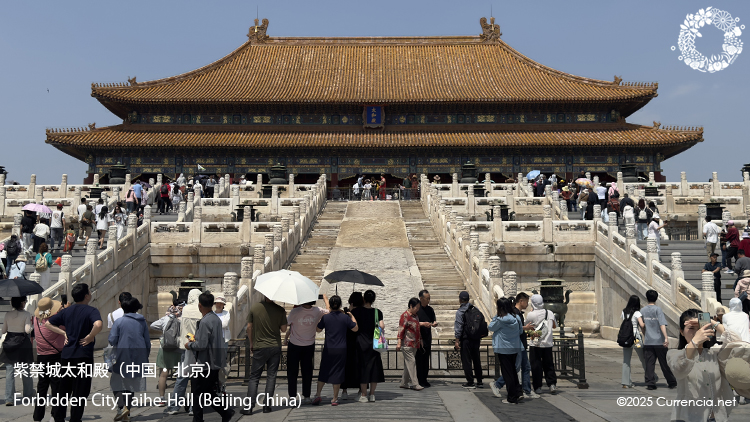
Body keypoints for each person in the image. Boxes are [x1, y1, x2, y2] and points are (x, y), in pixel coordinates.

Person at [45, 283, 103, 422]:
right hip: (83, 356)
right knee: (80, 391)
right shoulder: (91, 311)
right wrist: (90, 336)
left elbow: (48, 323)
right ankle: (75, 419)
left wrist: (63, 333)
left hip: (67, 356)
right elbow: (98, 324)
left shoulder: (67, 311)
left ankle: (59, 417)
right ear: (86, 296)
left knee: (64, 390)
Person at [667, 308, 736, 422]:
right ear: (681, 331)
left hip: (717, 417)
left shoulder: (714, 353)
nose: (698, 332)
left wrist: (712, 322)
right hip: (689, 418)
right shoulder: (675, 354)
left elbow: (735, 341)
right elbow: (680, 369)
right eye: (691, 328)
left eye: (700, 328)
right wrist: (694, 342)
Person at [185, 292, 235, 422]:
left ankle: (199, 419)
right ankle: (225, 412)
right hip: (214, 361)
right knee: (207, 391)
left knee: (197, 392)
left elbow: (201, 344)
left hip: (205, 362)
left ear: (200, 305)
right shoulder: (216, 319)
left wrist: (190, 345)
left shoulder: (205, 321)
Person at [243, 295, 287, 415]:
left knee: (254, 377)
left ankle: (249, 407)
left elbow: (249, 327)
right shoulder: (280, 310)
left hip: (259, 346)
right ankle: (267, 406)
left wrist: (251, 342)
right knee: (271, 376)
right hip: (275, 346)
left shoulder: (255, 307)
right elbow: (284, 329)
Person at [109, 296, 150, 421]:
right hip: (138, 356)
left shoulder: (119, 322)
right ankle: (127, 411)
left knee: (116, 383)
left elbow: (112, 340)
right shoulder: (142, 321)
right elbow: (147, 342)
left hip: (122, 356)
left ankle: (121, 407)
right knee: (130, 385)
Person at [313, 295, 358, 406]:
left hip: (329, 348)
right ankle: (334, 398)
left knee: (324, 370)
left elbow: (318, 329)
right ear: (340, 305)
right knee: (338, 372)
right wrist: (352, 316)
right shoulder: (345, 317)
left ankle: (318, 394)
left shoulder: (326, 317)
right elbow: (355, 328)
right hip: (341, 348)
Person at [284, 294, 329, 404]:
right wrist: (326, 299)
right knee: (307, 372)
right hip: (309, 344)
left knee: (292, 372)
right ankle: (307, 396)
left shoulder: (295, 311)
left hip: (294, 344)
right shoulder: (318, 311)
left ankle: (292, 396)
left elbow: (286, 324)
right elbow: (330, 311)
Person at [165, 288, 201, 416]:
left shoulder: (185, 309)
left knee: (182, 378)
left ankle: (174, 406)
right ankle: (193, 407)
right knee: (197, 379)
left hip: (185, 347)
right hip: (198, 347)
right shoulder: (201, 310)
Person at [32, 298, 65, 421]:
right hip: (55, 356)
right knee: (57, 387)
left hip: (41, 356)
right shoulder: (55, 321)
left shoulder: (36, 320)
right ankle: (55, 415)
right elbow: (66, 327)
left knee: (42, 387)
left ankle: (38, 416)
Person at [350, 290, 386, 402]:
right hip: (374, 344)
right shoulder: (377, 312)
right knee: (374, 369)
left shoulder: (356, 311)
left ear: (364, 299)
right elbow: (382, 326)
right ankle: (372, 394)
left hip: (361, 343)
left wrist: (350, 312)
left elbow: (353, 326)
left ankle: (363, 395)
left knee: (363, 369)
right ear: (373, 299)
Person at [488, 297, 524, 404]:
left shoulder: (500, 320)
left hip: (503, 348)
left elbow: (491, 327)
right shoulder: (516, 317)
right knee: (513, 371)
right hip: (514, 347)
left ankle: (511, 397)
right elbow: (521, 331)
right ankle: (517, 392)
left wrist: (496, 316)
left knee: (507, 373)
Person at [640, 289, 677, 390]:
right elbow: (662, 324)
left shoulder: (642, 310)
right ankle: (671, 382)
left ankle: (650, 383)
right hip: (659, 341)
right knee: (664, 363)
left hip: (648, 342)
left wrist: (645, 335)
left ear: (647, 298)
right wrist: (666, 338)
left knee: (649, 364)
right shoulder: (658, 309)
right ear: (656, 298)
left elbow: (642, 326)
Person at [1, 296, 34, 405]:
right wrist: (32, 326)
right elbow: (27, 330)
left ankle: (9, 398)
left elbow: (3, 330)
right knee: (25, 369)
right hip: (22, 342)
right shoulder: (26, 314)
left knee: (10, 370)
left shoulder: (8, 314)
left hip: (10, 341)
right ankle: (28, 394)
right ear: (22, 303)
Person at [151, 298, 183, 406]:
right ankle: (178, 398)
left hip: (165, 348)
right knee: (180, 375)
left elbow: (153, 325)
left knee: (163, 374)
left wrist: (163, 330)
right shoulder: (183, 318)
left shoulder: (166, 318)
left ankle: (161, 399)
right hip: (178, 349)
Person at [525, 294, 558, 395]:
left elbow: (527, 327)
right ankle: (552, 384)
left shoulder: (531, 314)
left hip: (535, 343)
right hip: (548, 343)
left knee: (536, 365)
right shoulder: (550, 313)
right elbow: (554, 326)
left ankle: (538, 387)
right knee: (549, 364)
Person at [454, 291, 484, 389]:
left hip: (466, 338)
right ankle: (479, 381)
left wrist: (457, 340)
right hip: (476, 338)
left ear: (460, 300)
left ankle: (470, 382)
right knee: (476, 359)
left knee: (466, 360)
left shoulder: (460, 312)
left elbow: (459, 327)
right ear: (468, 299)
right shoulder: (475, 309)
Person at [397, 297, 423, 391]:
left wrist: (420, 340)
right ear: (411, 306)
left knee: (408, 364)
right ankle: (415, 384)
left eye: (418, 308)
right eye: (416, 307)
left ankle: (404, 383)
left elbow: (417, 328)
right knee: (412, 362)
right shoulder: (405, 316)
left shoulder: (416, 316)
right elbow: (401, 329)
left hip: (415, 344)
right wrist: (399, 342)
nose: (417, 309)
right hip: (407, 344)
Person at [621, 295, 646, 388]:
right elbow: (642, 325)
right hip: (636, 339)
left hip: (626, 339)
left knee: (626, 361)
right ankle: (651, 377)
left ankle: (626, 382)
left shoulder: (624, 311)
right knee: (643, 358)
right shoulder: (637, 313)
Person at [342, 292, 364, 399]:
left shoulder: (348, 314)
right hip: (362, 343)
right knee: (361, 367)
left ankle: (344, 391)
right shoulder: (365, 313)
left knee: (347, 366)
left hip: (349, 343)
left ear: (351, 302)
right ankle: (361, 390)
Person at [416, 290, 437, 388]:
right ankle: (418, 379)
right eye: (427, 298)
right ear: (421, 298)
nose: (428, 300)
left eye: (429, 298)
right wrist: (422, 324)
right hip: (418, 338)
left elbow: (433, 320)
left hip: (427, 338)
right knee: (418, 360)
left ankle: (424, 379)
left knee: (426, 360)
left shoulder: (430, 310)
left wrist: (434, 323)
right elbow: (412, 322)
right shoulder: (417, 309)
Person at [213, 296, 231, 393]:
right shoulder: (212, 314)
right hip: (213, 341)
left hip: (223, 340)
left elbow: (225, 324)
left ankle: (222, 383)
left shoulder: (226, 313)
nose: (219, 305)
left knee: (222, 363)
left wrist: (215, 324)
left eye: (220, 304)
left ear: (223, 305)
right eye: (217, 303)